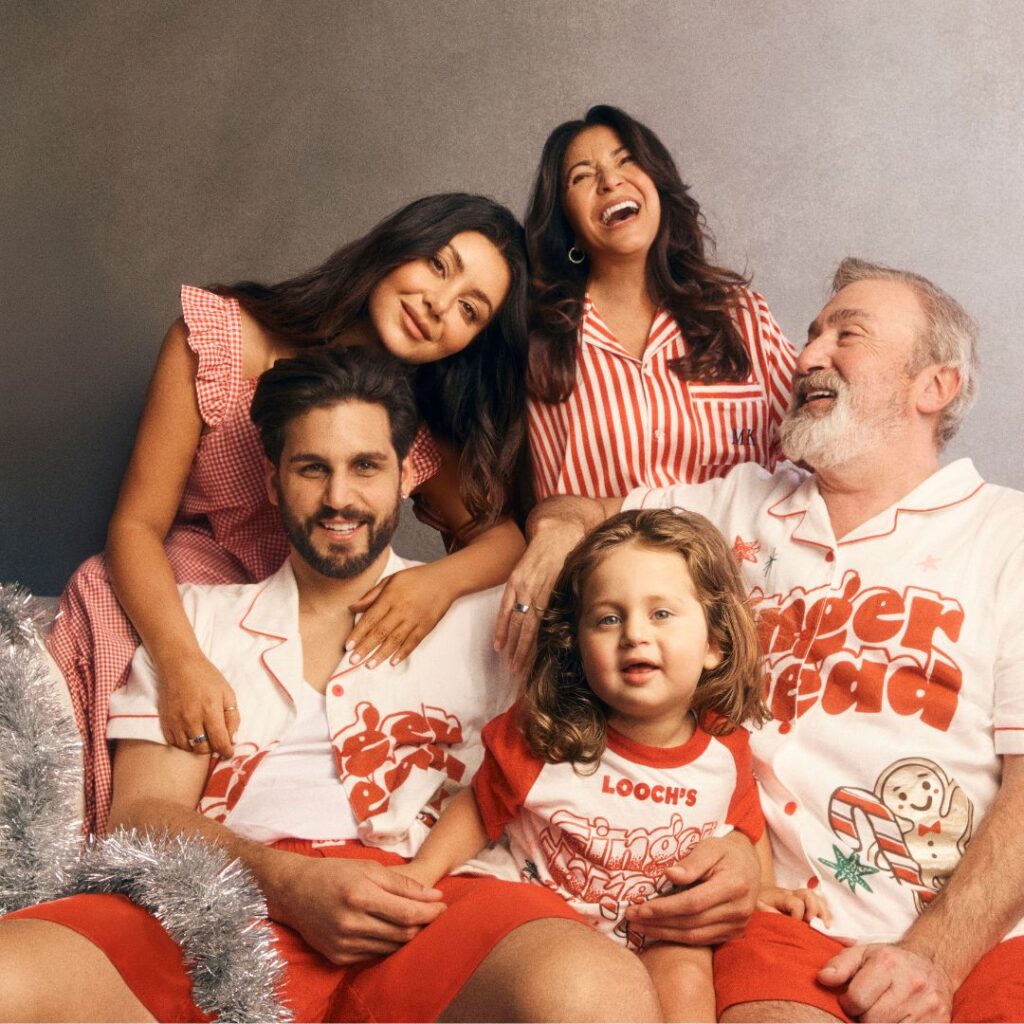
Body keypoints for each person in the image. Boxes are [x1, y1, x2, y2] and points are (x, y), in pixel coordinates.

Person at [0, 347, 666, 1023]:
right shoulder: (195, 621)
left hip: (433, 902)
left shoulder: (491, 620)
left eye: (366, 466)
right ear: (272, 482)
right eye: (312, 468)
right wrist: (287, 884)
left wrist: (730, 843)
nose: (339, 498)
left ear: (405, 476)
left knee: (597, 989)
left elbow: (654, 694)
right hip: (225, 911)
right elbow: (142, 812)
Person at [520, 258, 1024, 1022]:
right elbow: (582, 509)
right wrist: (559, 529)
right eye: (812, 334)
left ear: (935, 386)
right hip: (786, 925)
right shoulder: (734, 506)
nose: (807, 354)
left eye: (846, 336)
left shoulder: (1007, 535)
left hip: (982, 937)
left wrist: (934, 955)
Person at [48, 192, 532, 834]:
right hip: (172, 598)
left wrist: (434, 584)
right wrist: (181, 658)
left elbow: (503, 539)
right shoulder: (227, 340)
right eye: (438, 266)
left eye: (470, 309)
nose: (439, 305)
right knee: (117, 809)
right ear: (396, 246)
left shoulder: (413, 430)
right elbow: (135, 525)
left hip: (302, 620)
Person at [397, 508, 826, 1022]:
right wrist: (423, 873)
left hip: (656, 927)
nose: (634, 635)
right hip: (546, 918)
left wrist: (764, 889)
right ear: (577, 646)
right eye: (608, 619)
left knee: (689, 986)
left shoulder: (723, 745)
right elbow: (478, 806)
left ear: (713, 643)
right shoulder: (550, 734)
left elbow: (743, 823)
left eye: (661, 614)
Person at [496, 104, 797, 670]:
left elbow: (810, 456)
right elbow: (493, 486)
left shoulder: (738, 315)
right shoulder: (534, 339)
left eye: (625, 160)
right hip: (609, 628)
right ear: (567, 219)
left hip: (746, 609)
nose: (609, 180)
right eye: (581, 176)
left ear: (657, 183)